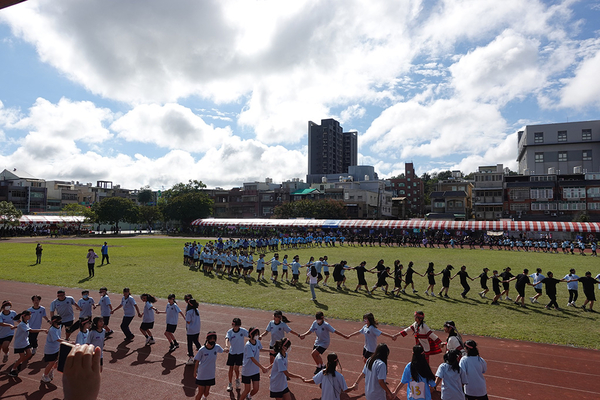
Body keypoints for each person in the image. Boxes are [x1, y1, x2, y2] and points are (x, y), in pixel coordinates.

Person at [7, 310, 47, 376]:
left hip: (25, 342)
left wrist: (15, 326)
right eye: (28, 315)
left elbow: (22, 326)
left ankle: (19, 362)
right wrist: (42, 330)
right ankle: (13, 369)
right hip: (19, 343)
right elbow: (30, 330)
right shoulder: (23, 324)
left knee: (29, 354)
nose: (30, 316)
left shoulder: (26, 322)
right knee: (22, 356)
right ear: (24, 316)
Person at [240, 327, 269, 400]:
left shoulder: (257, 341)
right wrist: (262, 368)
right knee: (247, 390)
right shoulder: (248, 345)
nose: (257, 335)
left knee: (256, 389)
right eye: (256, 334)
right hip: (247, 371)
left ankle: (249, 396)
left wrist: (270, 351)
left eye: (258, 334)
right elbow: (252, 359)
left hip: (255, 371)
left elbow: (260, 348)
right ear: (251, 334)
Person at [193, 331, 225, 400]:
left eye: (214, 339)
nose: (212, 340)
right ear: (207, 339)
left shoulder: (217, 347)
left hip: (210, 374)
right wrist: (195, 372)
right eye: (211, 339)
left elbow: (223, 350)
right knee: (200, 392)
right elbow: (197, 361)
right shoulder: (202, 350)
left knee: (206, 392)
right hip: (201, 374)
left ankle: (204, 398)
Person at [224, 317, 249, 392]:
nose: (235, 327)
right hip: (232, 352)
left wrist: (257, 336)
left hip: (240, 353)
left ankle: (237, 379)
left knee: (236, 368)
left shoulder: (242, 331)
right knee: (231, 368)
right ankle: (230, 383)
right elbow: (227, 339)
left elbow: (250, 335)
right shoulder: (230, 332)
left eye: (237, 326)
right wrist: (226, 345)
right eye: (234, 325)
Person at [41, 315, 67, 383]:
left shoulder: (59, 327)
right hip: (50, 349)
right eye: (59, 321)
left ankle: (51, 371)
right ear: (54, 321)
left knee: (57, 362)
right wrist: (67, 342)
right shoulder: (52, 330)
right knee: (51, 363)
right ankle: (45, 376)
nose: (60, 322)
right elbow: (57, 339)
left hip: (57, 348)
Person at [186, 298, 202, 365]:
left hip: (191, 330)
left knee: (190, 344)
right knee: (196, 341)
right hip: (197, 329)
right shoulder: (197, 310)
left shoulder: (189, 312)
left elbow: (188, 321)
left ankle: (191, 357)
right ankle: (202, 353)